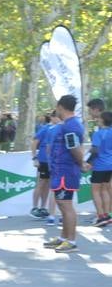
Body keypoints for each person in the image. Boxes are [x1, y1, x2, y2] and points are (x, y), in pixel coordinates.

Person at [44, 94, 90, 252]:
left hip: (66, 171)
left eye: (56, 107)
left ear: (60, 107)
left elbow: (74, 148)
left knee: (66, 205)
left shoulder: (71, 125)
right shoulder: (68, 124)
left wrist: (81, 163)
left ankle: (71, 241)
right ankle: (64, 237)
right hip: (59, 171)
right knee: (62, 205)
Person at [30, 111, 56, 219]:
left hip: (53, 161)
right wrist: (35, 158)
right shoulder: (45, 128)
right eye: (57, 117)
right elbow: (34, 142)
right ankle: (34, 207)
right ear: (52, 117)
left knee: (48, 184)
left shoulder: (59, 129)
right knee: (41, 183)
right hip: (43, 160)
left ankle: (43, 207)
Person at [89, 109, 112, 227]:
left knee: (95, 191)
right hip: (109, 165)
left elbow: (95, 150)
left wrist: (88, 162)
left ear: (103, 120)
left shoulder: (98, 133)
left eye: (99, 118)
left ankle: (101, 216)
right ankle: (107, 215)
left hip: (99, 165)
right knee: (104, 189)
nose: (97, 120)